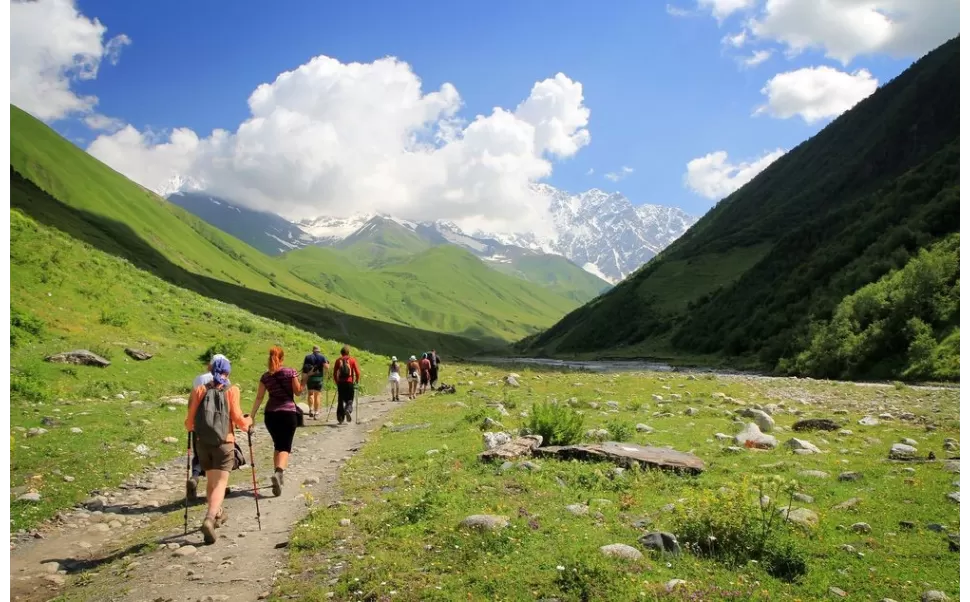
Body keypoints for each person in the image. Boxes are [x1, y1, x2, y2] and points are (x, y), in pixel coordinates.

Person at [184, 356, 252, 544]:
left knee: (212, 482)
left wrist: (193, 429)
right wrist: (248, 423)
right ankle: (210, 517)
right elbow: (238, 418)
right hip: (224, 442)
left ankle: (219, 513)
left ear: (211, 370)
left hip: (203, 444)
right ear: (228, 373)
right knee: (221, 484)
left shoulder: (200, 390)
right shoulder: (232, 390)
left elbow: (189, 422)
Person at [250, 346, 303, 497]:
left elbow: (259, 397)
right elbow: (298, 392)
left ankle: (277, 474)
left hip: (270, 415)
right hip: (288, 413)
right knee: (285, 446)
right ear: (282, 359)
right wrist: (304, 379)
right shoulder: (290, 372)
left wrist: (252, 416)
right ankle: (279, 473)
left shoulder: (265, 377)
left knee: (277, 445)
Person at [332, 345, 361, 424]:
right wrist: (357, 381)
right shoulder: (352, 360)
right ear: (348, 352)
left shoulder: (338, 360)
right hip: (349, 383)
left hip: (341, 383)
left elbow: (334, 373)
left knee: (340, 400)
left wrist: (337, 382)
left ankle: (340, 418)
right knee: (350, 399)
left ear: (341, 353)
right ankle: (348, 409)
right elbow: (357, 373)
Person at [301, 345, 329, 419]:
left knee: (310, 394)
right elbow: (326, 367)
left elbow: (304, 369)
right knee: (317, 395)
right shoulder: (322, 357)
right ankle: (316, 413)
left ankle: (311, 410)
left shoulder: (308, 357)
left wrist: (303, 379)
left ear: (313, 350)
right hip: (319, 379)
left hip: (310, 378)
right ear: (319, 351)